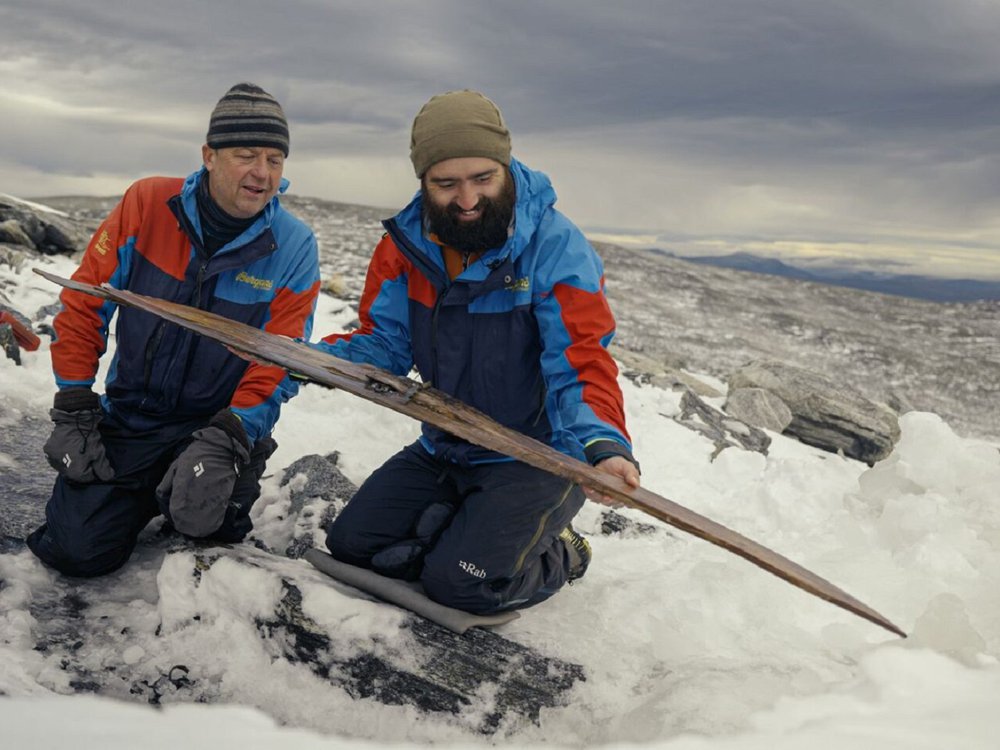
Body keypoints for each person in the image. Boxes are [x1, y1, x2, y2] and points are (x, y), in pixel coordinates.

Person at [313, 89, 640, 613]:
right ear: (423, 182)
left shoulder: (555, 247)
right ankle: (468, 526)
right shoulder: (406, 248)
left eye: (482, 179)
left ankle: (563, 554)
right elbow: (388, 344)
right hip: (448, 447)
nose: (467, 200)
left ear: (506, 169)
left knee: (460, 587)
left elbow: (581, 357)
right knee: (354, 547)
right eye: (446, 184)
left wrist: (602, 443)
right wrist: (316, 360)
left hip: (538, 458)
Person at [27, 83, 321, 577]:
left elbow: (282, 358)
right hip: (132, 417)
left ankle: (228, 470)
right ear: (209, 155)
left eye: (275, 160)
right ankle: (144, 488)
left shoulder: (291, 245)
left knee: (205, 527)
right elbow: (84, 302)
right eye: (246, 155)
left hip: (213, 425)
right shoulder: (147, 203)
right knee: (76, 551)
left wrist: (233, 432)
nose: (262, 173)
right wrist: (74, 406)